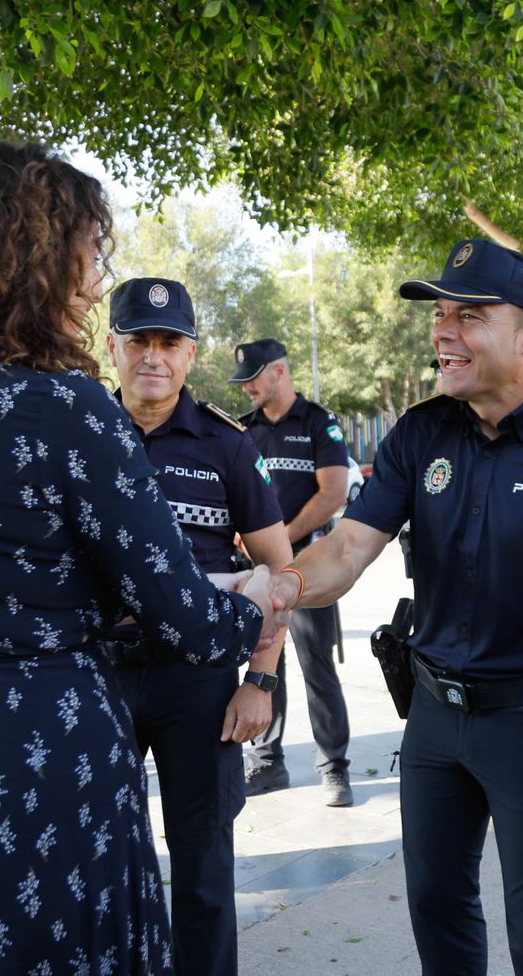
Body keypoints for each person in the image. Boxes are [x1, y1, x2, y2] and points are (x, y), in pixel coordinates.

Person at [0, 142, 274, 974]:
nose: (96, 282)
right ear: (31, 260)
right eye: (89, 256)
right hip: (43, 769)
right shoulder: (65, 408)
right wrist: (250, 595)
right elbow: (193, 623)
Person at [268, 239, 523, 975]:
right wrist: (282, 586)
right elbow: (348, 550)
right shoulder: (422, 432)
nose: (443, 331)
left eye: (468, 316)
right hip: (436, 721)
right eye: (441, 314)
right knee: (436, 908)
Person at [103, 278, 293, 976]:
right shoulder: (82, 435)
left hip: (201, 689)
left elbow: (279, 572)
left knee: (204, 868)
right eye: (139, 341)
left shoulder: (227, 446)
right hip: (99, 680)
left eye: (170, 343)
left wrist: (261, 681)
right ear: (113, 347)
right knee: (98, 860)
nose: (154, 357)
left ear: (189, 354)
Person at [230, 338, 355, 806]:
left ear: (279, 372)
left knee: (315, 662)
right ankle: (266, 762)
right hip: (255, 571)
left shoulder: (320, 423)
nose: (246, 389)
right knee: (264, 662)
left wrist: (281, 537)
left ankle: (334, 767)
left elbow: (333, 492)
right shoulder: (244, 430)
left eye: (253, 378)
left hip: (308, 567)